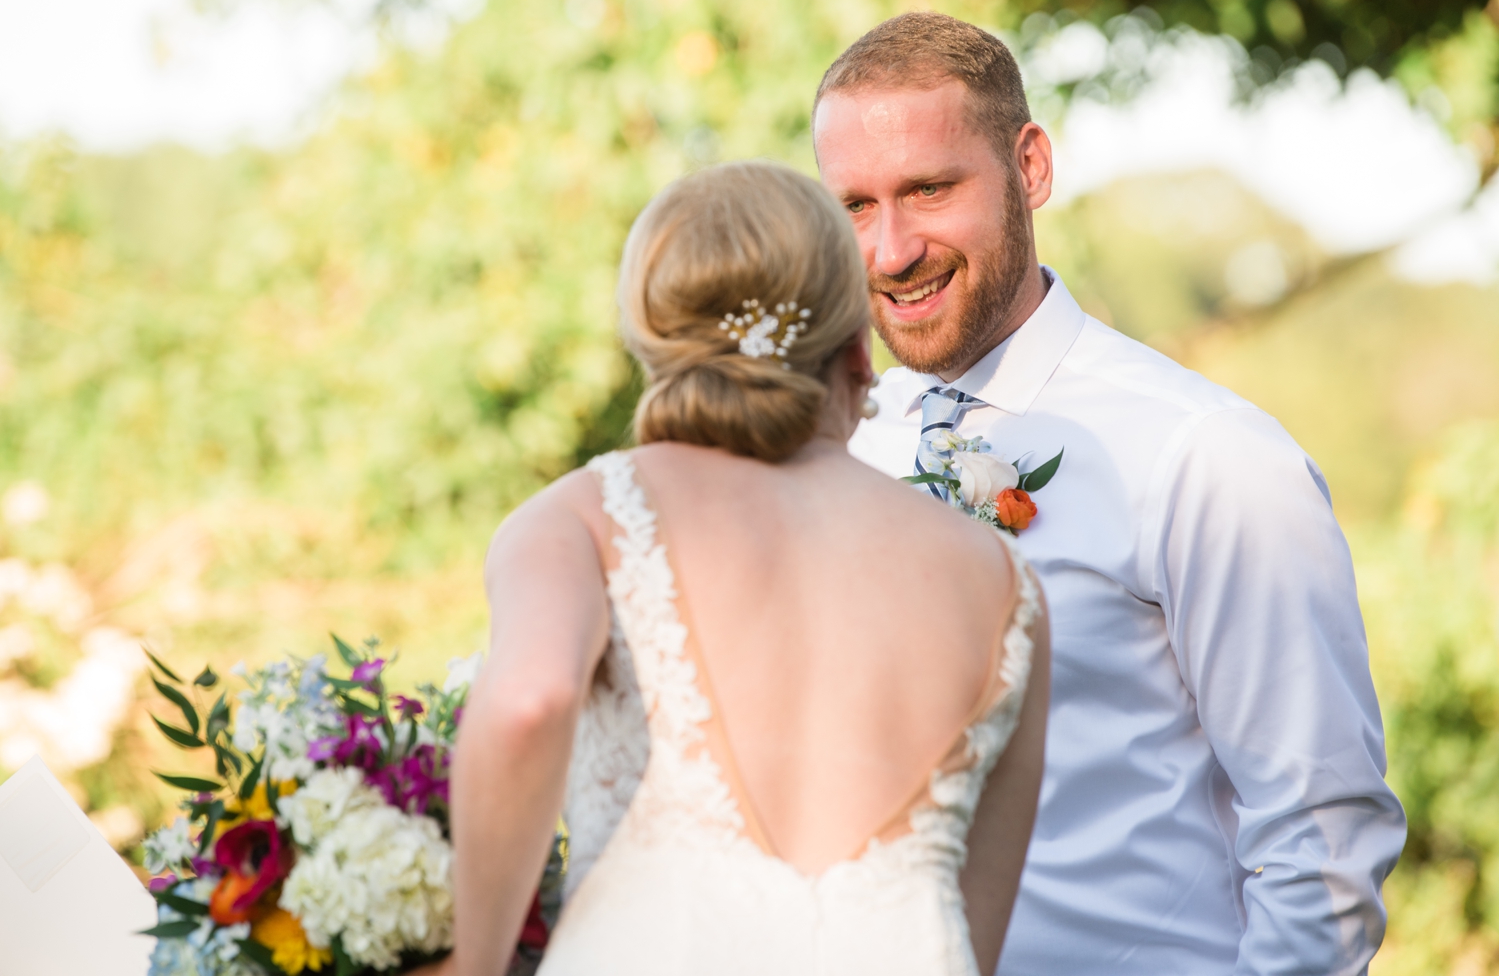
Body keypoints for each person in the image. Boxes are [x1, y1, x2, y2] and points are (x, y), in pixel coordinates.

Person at [815, 12, 1408, 975]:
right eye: (854, 205)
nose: (889, 251)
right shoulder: (840, 448)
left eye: (928, 189)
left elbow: (1322, 844)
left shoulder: (1207, 458)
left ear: (1031, 167)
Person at [435, 161, 1052, 976]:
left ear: (650, 340)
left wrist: (471, 965)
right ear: (859, 346)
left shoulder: (583, 516)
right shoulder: (1003, 581)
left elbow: (527, 702)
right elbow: (975, 925)